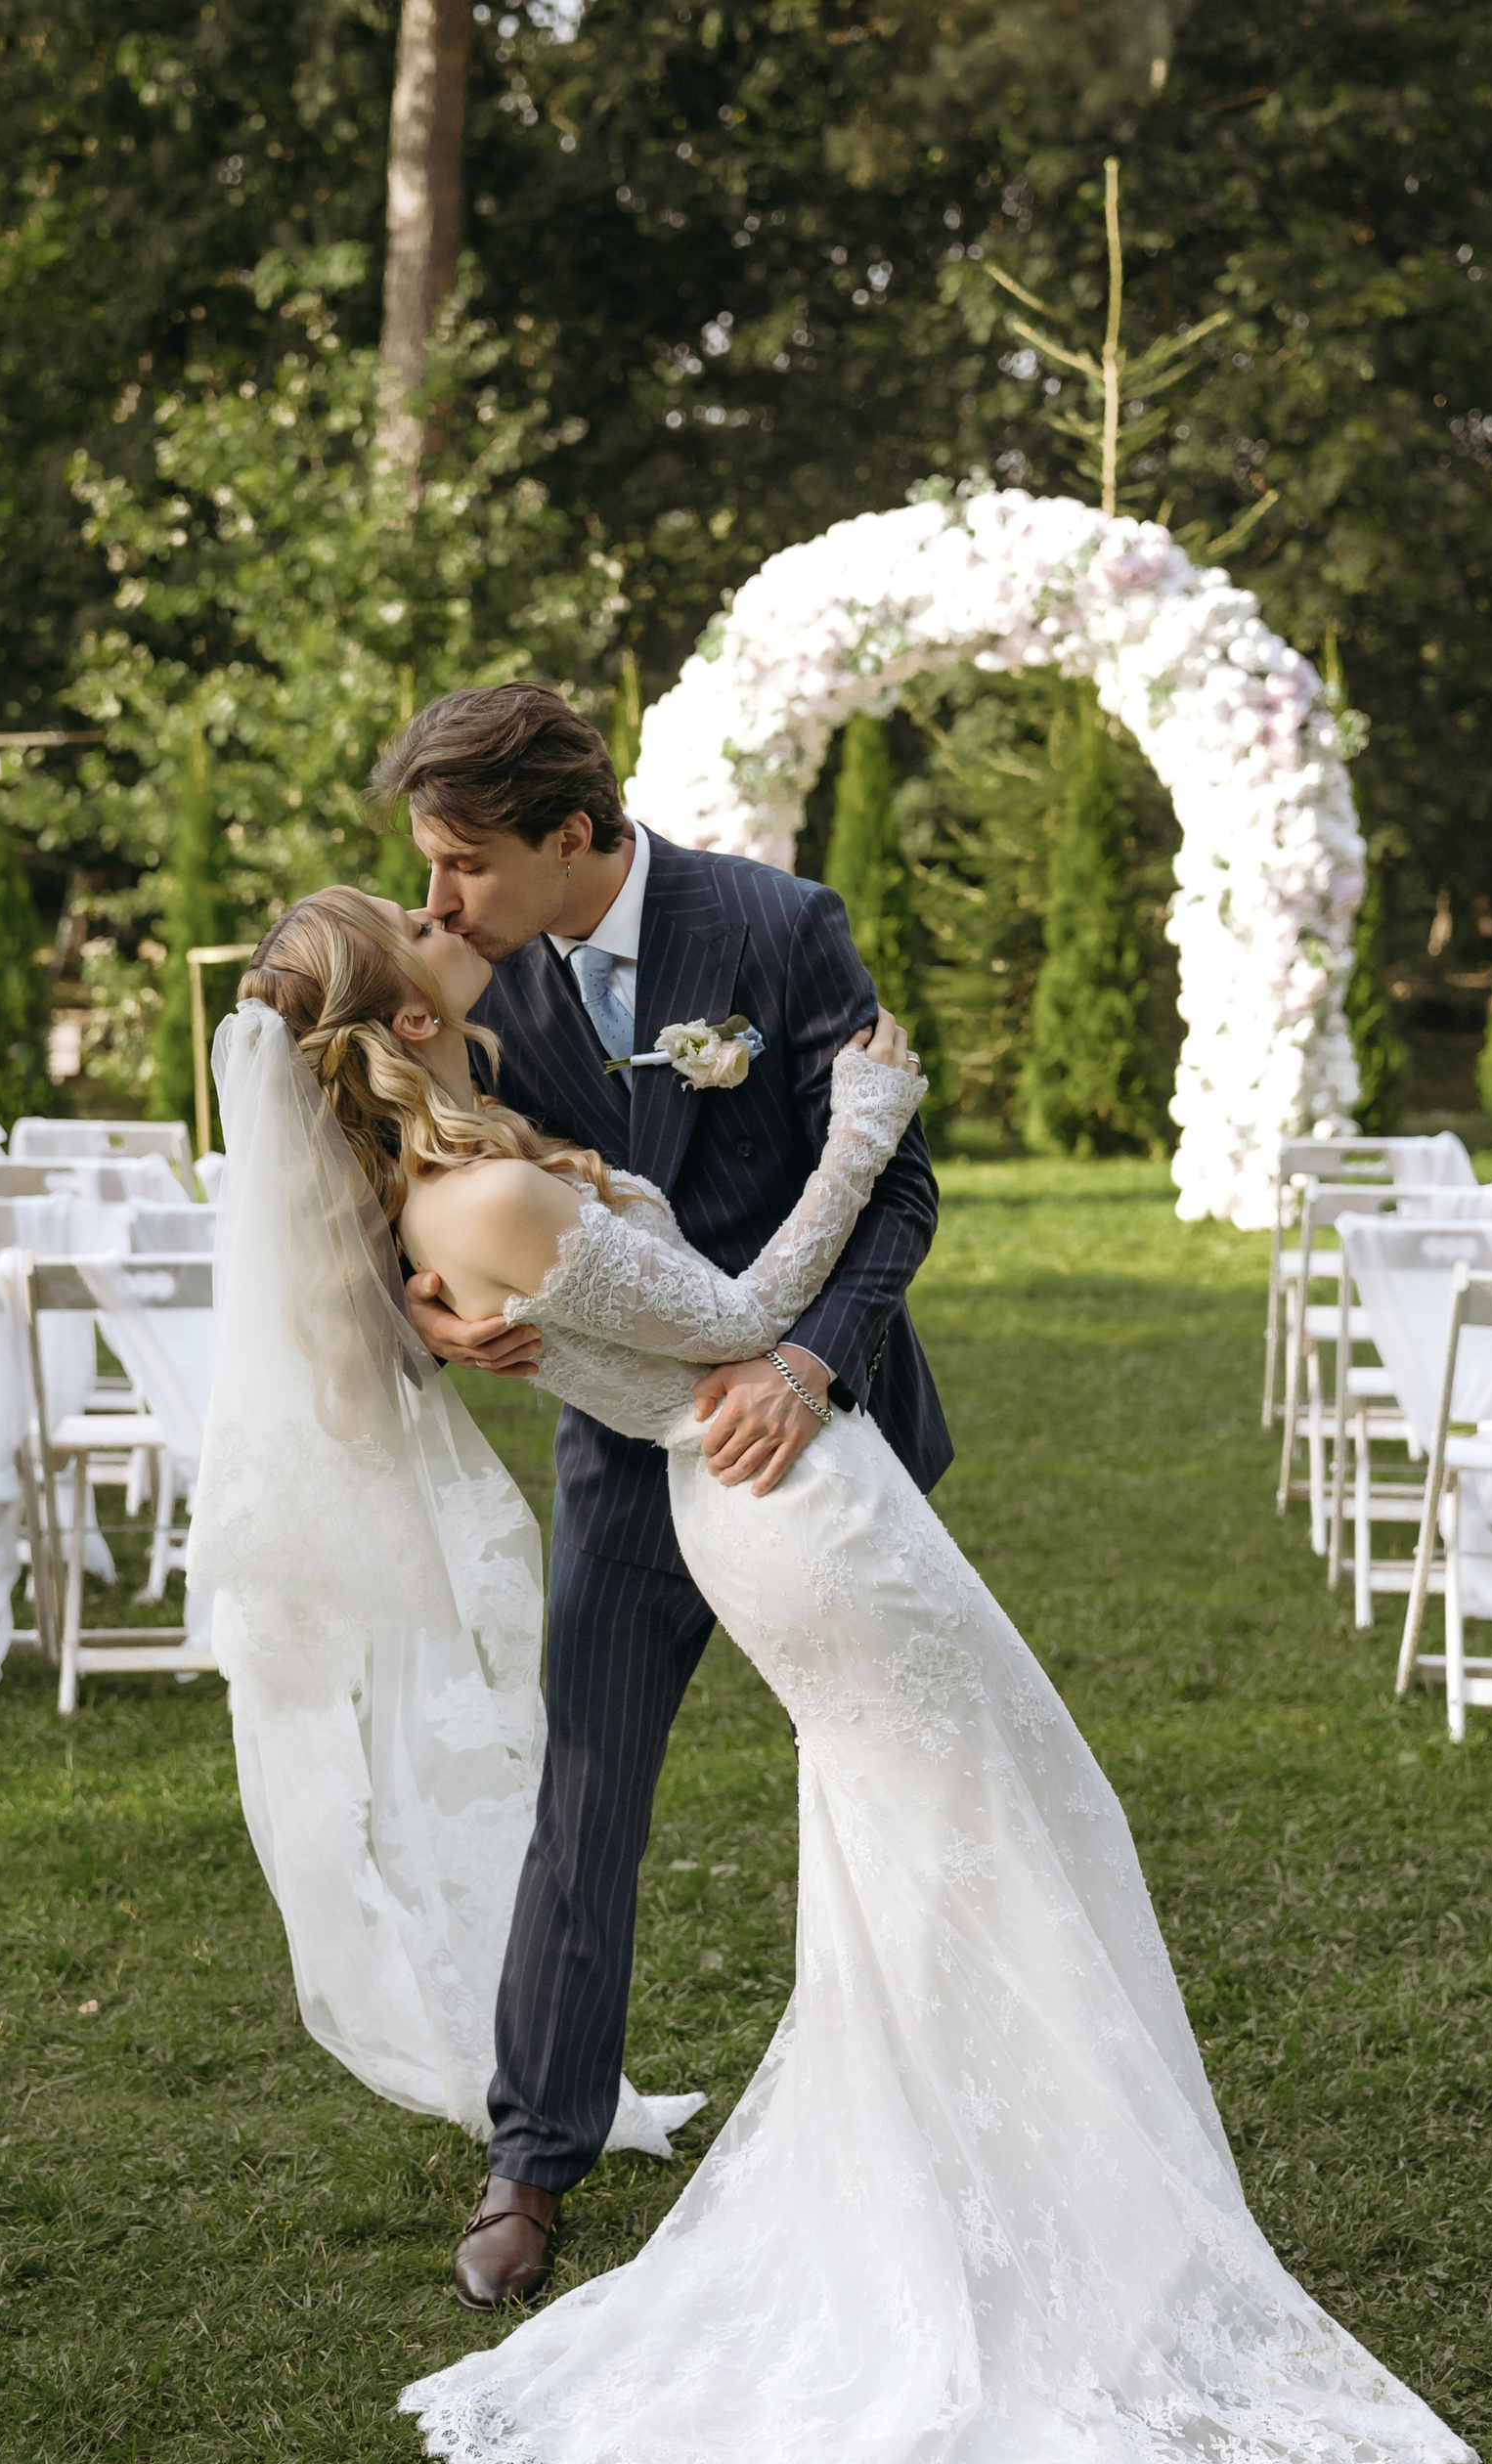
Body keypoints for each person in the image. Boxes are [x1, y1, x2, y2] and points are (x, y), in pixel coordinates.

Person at [192, 887, 1473, 2464]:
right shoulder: (481, 1190)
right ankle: (1034, 2250)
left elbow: (635, 1315)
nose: (438, 907)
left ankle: (1027, 2211)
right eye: (409, 914)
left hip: (786, 1494)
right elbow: (741, 1322)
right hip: (792, 1503)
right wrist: (862, 1128)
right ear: (409, 1022)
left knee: (948, 1853)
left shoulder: (459, 1177)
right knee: (993, 1837)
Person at [370, 684, 947, 2310]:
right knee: (588, 1793)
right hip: (626, 1458)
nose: (436, 900)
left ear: (572, 836)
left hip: (820, 1443)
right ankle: (532, 2157)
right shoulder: (472, 981)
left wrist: (808, 1368)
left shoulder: (773, 925)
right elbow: (406, 1176)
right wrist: (431, 1311)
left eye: (464, 863)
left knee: (900, 1768)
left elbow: (898, 1181)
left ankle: (938, 2100)